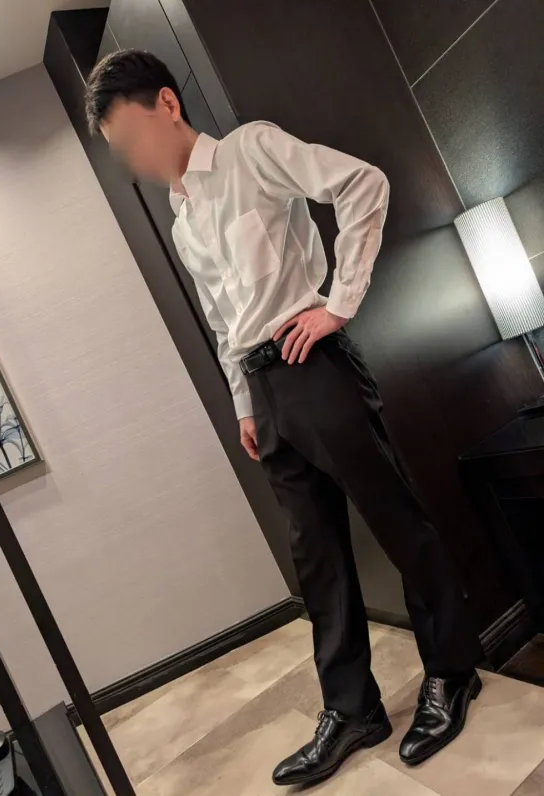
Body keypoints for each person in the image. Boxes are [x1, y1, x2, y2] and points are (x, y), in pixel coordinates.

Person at [85, 49, 484, 787]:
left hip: (314, 365)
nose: (132, 160)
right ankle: (352, 709)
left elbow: (364, 183)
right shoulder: (181, 216)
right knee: (316, 556)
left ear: (167, 104)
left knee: (395, 519)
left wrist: (339, 304)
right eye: (120, 151)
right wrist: (244, 404)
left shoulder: (251, 150)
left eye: (130, 139)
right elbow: (220, 319)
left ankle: (454, 671)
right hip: (265, 393)